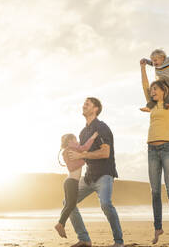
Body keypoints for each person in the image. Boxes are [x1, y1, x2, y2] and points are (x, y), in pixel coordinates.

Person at [140, 49, 169, 244]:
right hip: (151, 150)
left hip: (167, 149)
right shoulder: (152, 104)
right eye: (151, 91)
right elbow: (144, 84)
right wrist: (142, 68)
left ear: (163, 90)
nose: (152, 92)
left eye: (155, 90)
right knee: (155, 192)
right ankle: (158, 228)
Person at [67, 97, 124, 247]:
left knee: (105, 204)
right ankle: (84, 239)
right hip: (89, 177)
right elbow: (83, 155)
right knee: (68, 202)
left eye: (88, 104)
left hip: (105, 174)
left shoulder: (102, 127)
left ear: (96, 109)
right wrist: (71, 159)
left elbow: (105, 153)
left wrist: (82, 155)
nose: (84, 105)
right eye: (84, 103)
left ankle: (119, 242)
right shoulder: (83, 132)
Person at [54, 131, 98, 238]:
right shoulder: (72, 151)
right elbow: (85, 147)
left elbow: (81, 150)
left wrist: (81, 156)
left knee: (68, 204)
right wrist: (92, 137)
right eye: (75, 140)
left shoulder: (68, 151)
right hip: (72, 182)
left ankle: (60, 223)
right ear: (70, 142)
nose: (77, 142)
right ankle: (60, 224)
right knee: (71, 204)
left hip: (69, 181)